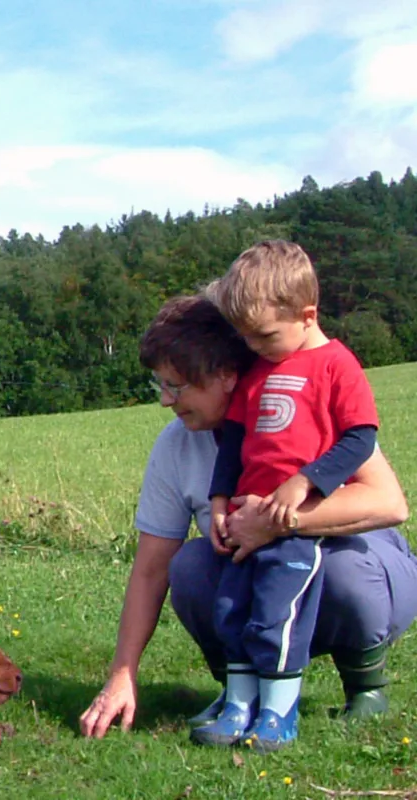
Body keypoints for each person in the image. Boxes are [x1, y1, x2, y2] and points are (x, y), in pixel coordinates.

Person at [78, 293, 416, 742]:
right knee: (193, 566)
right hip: (266, 579)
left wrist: (279, 520)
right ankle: (243, 695)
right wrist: (122, 673)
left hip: (360, 570)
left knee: (342, 568)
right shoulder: (177, 445)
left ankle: (366, 685)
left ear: (226, 376)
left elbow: (389, 504)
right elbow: (151, 568)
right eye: (160, 385)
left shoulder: (300, 406)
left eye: (176, 386)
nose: (165, 400)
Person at [193, 241, 380, 751]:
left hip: (295, 526)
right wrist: (217, 501)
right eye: (247, 337)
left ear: (307, 315)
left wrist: (305, 482)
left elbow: (360, 436)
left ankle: (279, 714)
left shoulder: (336, 365)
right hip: (243, 522)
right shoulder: (256, 372)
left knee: (277, 614)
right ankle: (238, 705)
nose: (254, 346)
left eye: (266, 335)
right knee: (231, 610)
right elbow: (233, 445)